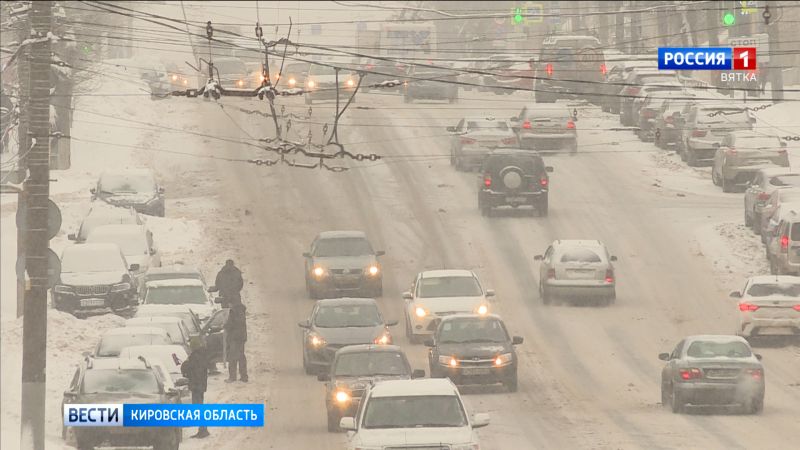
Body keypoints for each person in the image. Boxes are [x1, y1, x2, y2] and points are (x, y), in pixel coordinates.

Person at [181, 337, 210, 438]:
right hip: (200, 385)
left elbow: (192, 369)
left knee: (198, 408)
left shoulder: (195, 356)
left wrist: (185, 366)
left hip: (197, 385)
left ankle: (203, 430)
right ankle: (202, 429)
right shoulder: (201, 355)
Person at [225, 298, 248, 382]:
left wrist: (226, 326)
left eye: (229, 303)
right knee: (241, 356)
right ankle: (244, 376)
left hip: (235, 337)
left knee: (232, 357)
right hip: (241, 337)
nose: (228, 305)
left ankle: (232, 377)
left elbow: (232, 324)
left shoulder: (235, 312)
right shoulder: (240, 310)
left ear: (232, 303)